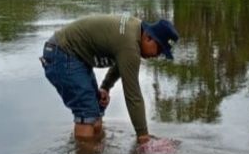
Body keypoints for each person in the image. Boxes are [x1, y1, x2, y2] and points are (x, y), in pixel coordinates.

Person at [40, 12, 178, 143]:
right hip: (62, 53)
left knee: (97, 107)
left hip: (73, 57)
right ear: (148, 37)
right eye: (159, 50)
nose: (157, 55)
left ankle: (94, 151)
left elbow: (121, 63)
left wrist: (105, 87)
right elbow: (133, 96)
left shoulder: (135, 31)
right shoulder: (130, 45)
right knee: (86, 112)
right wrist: (143, 138)